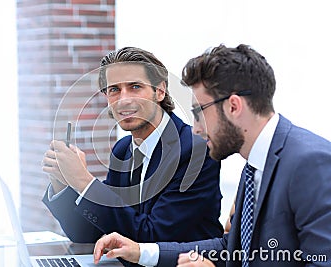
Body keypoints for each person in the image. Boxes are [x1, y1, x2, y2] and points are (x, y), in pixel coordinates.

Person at [93, 44, 331, 266]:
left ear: (234, 106)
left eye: (199, 113)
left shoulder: (310, 163)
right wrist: (142, 251)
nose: (196, 128)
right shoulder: (255, 165)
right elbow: (232, 248)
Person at [41, 47, 224, 245]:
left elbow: (153, 236)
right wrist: (62, 181)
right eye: (114, 90)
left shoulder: (195, 150)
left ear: (160, 91)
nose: (124, 99)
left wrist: (83, 180)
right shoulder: (122, 150)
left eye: (135, 86)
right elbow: (86, 235)